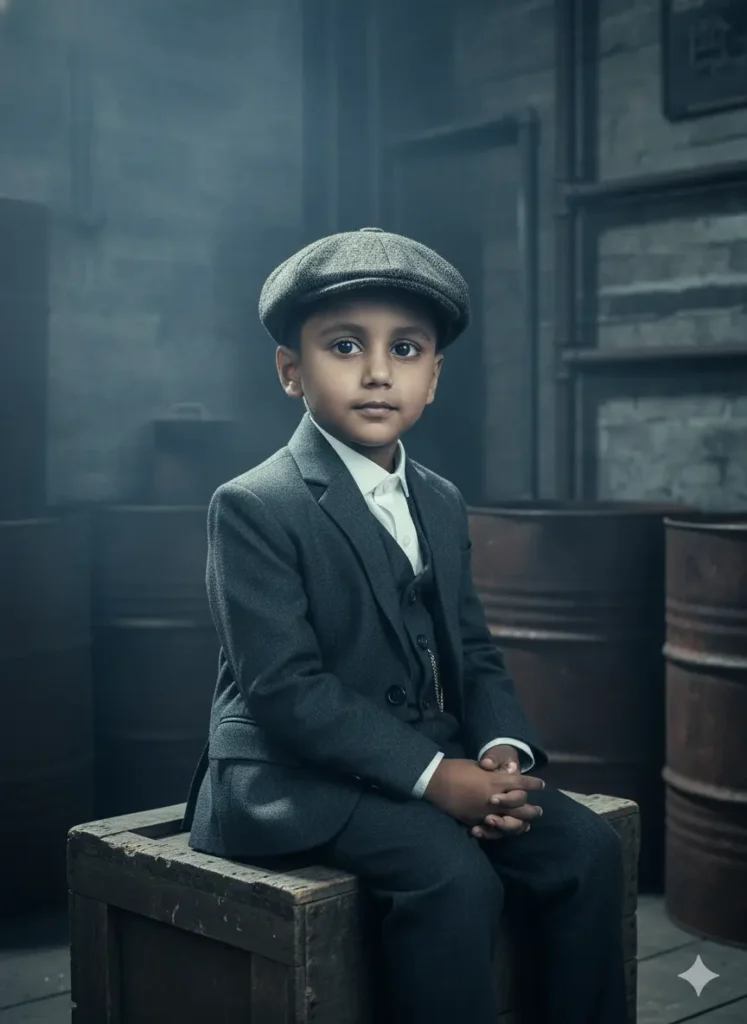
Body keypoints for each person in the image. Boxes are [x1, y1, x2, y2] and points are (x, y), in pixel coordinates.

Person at [184, 227, 628, 1023]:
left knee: (583, 847)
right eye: (345, 346)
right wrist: (436, 777)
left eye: (407, 349)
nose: (379, 372)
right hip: (294, 778)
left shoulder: (440, 497)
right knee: (450, 877)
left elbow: (474, 648)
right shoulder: (254, 504)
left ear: (434, 377)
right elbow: (285, 690)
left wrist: (497, 751)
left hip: (429, 754)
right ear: (292, 371)